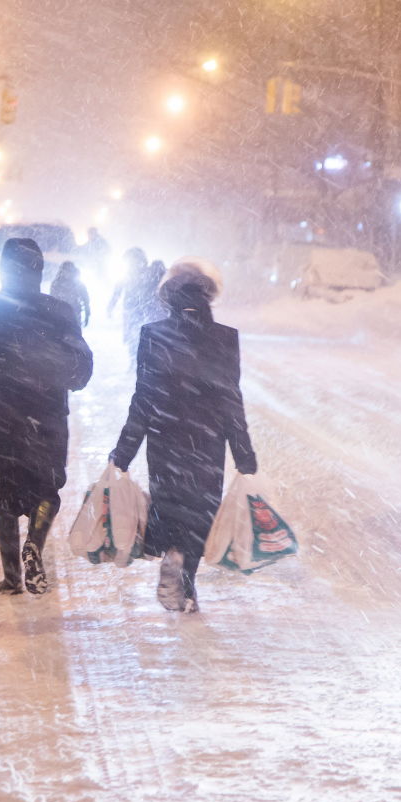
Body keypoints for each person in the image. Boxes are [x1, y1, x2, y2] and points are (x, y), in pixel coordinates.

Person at [110, 258, 258, 613]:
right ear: (208, 297)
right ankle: (188, 585)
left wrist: (125, 450)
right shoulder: (225, 337)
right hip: (207, 440)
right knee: (200, 512)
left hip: (165, 436)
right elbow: (230, 397)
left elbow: (143, 397)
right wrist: (243, 451)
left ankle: (172, 554)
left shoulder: (153, 334)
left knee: (169, 505)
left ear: (168, 298)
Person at [0, 238, 94, 595]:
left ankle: (12, 576)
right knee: (47, 489)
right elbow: (82, 365)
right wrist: (65, 381)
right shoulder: (60, 312)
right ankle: (35, 545)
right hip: (46, 419)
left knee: (2, 497)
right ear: (39, 271)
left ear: (2, 270)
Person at [107, 247, 155, 365]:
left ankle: (135, 360)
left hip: (134, 309)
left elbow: (117, 293)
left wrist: (111, 306)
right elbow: (117, 292)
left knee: (135, 337)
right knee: (141, 336)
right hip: (142, 309)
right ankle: (138, 360)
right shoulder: (146, 274)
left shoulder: (129, 275)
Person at [49, 260, 91, 327]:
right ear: (61, 271)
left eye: (68, 271)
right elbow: (52, 300)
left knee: (75, 334)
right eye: (65, 271)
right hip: (60, 315)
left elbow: (85, 299)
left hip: (75, 314)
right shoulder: (56, 283)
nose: (66, 273)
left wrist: (87, 313)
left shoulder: (78, 284)